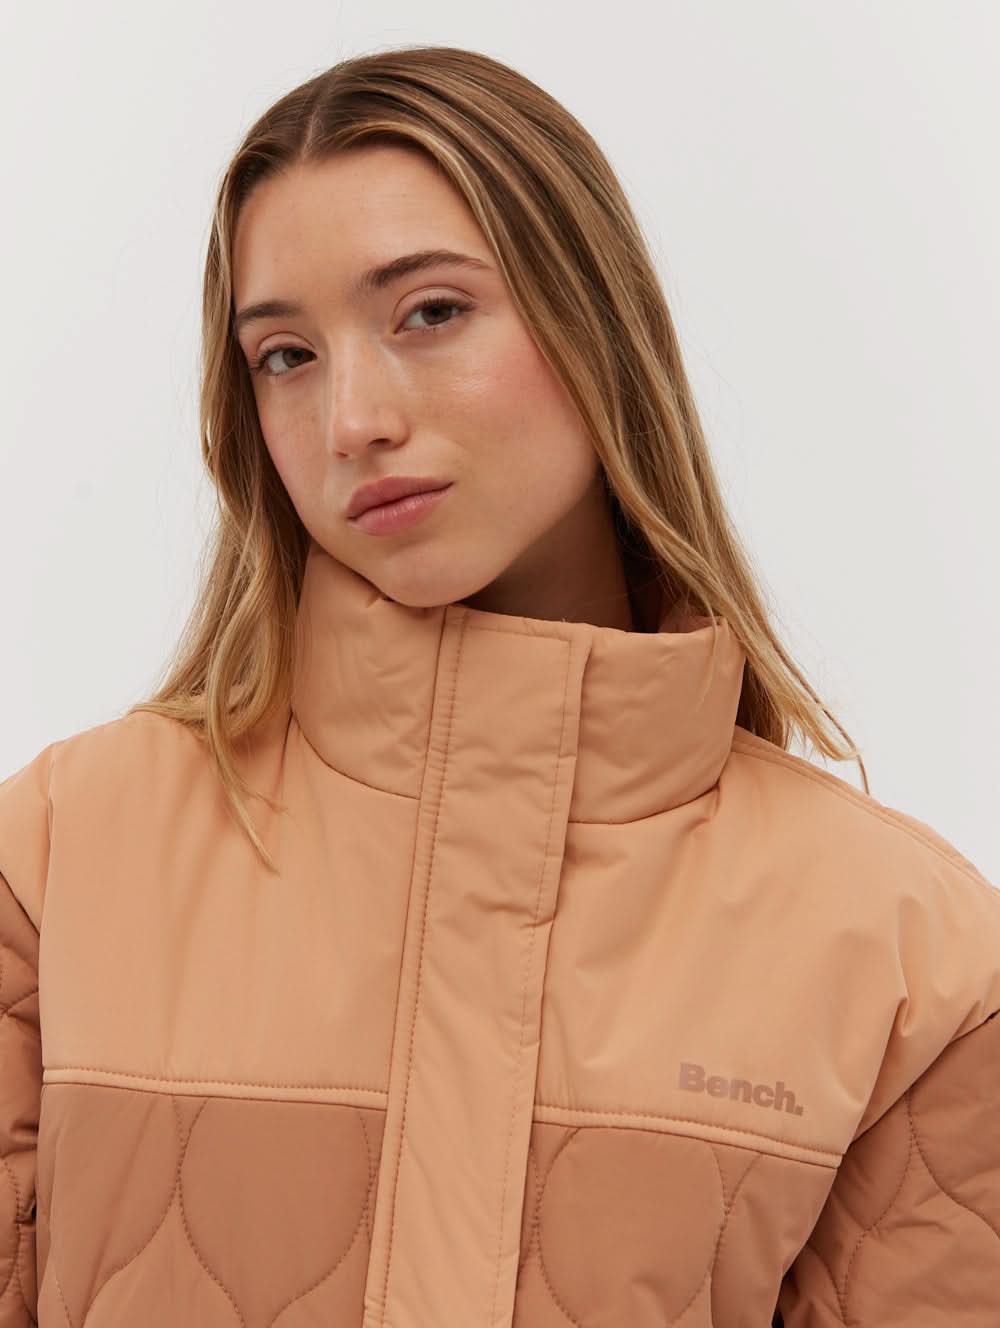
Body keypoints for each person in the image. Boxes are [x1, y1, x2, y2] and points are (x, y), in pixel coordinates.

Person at [1, 44, 997, 1328]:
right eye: (286, 355)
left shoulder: (914, 958)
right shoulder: (57, 858)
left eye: (429, 312)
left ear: (596, 323)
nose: (352, 418)